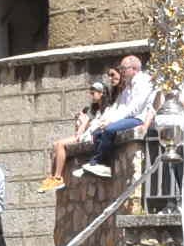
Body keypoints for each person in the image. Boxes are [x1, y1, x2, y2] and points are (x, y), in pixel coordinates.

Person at [47, 54, 152, 186]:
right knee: (97, 132)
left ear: (135, 69)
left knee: (109, 130)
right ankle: (94, 163)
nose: (122, 72)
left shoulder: (143, 82)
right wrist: (108, 120)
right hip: (128, 116)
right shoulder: (129, 86)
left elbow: (135, 108)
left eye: (123, 68)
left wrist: (112, 122)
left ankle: (101, 163)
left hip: (138, 118)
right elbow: (121, 108)